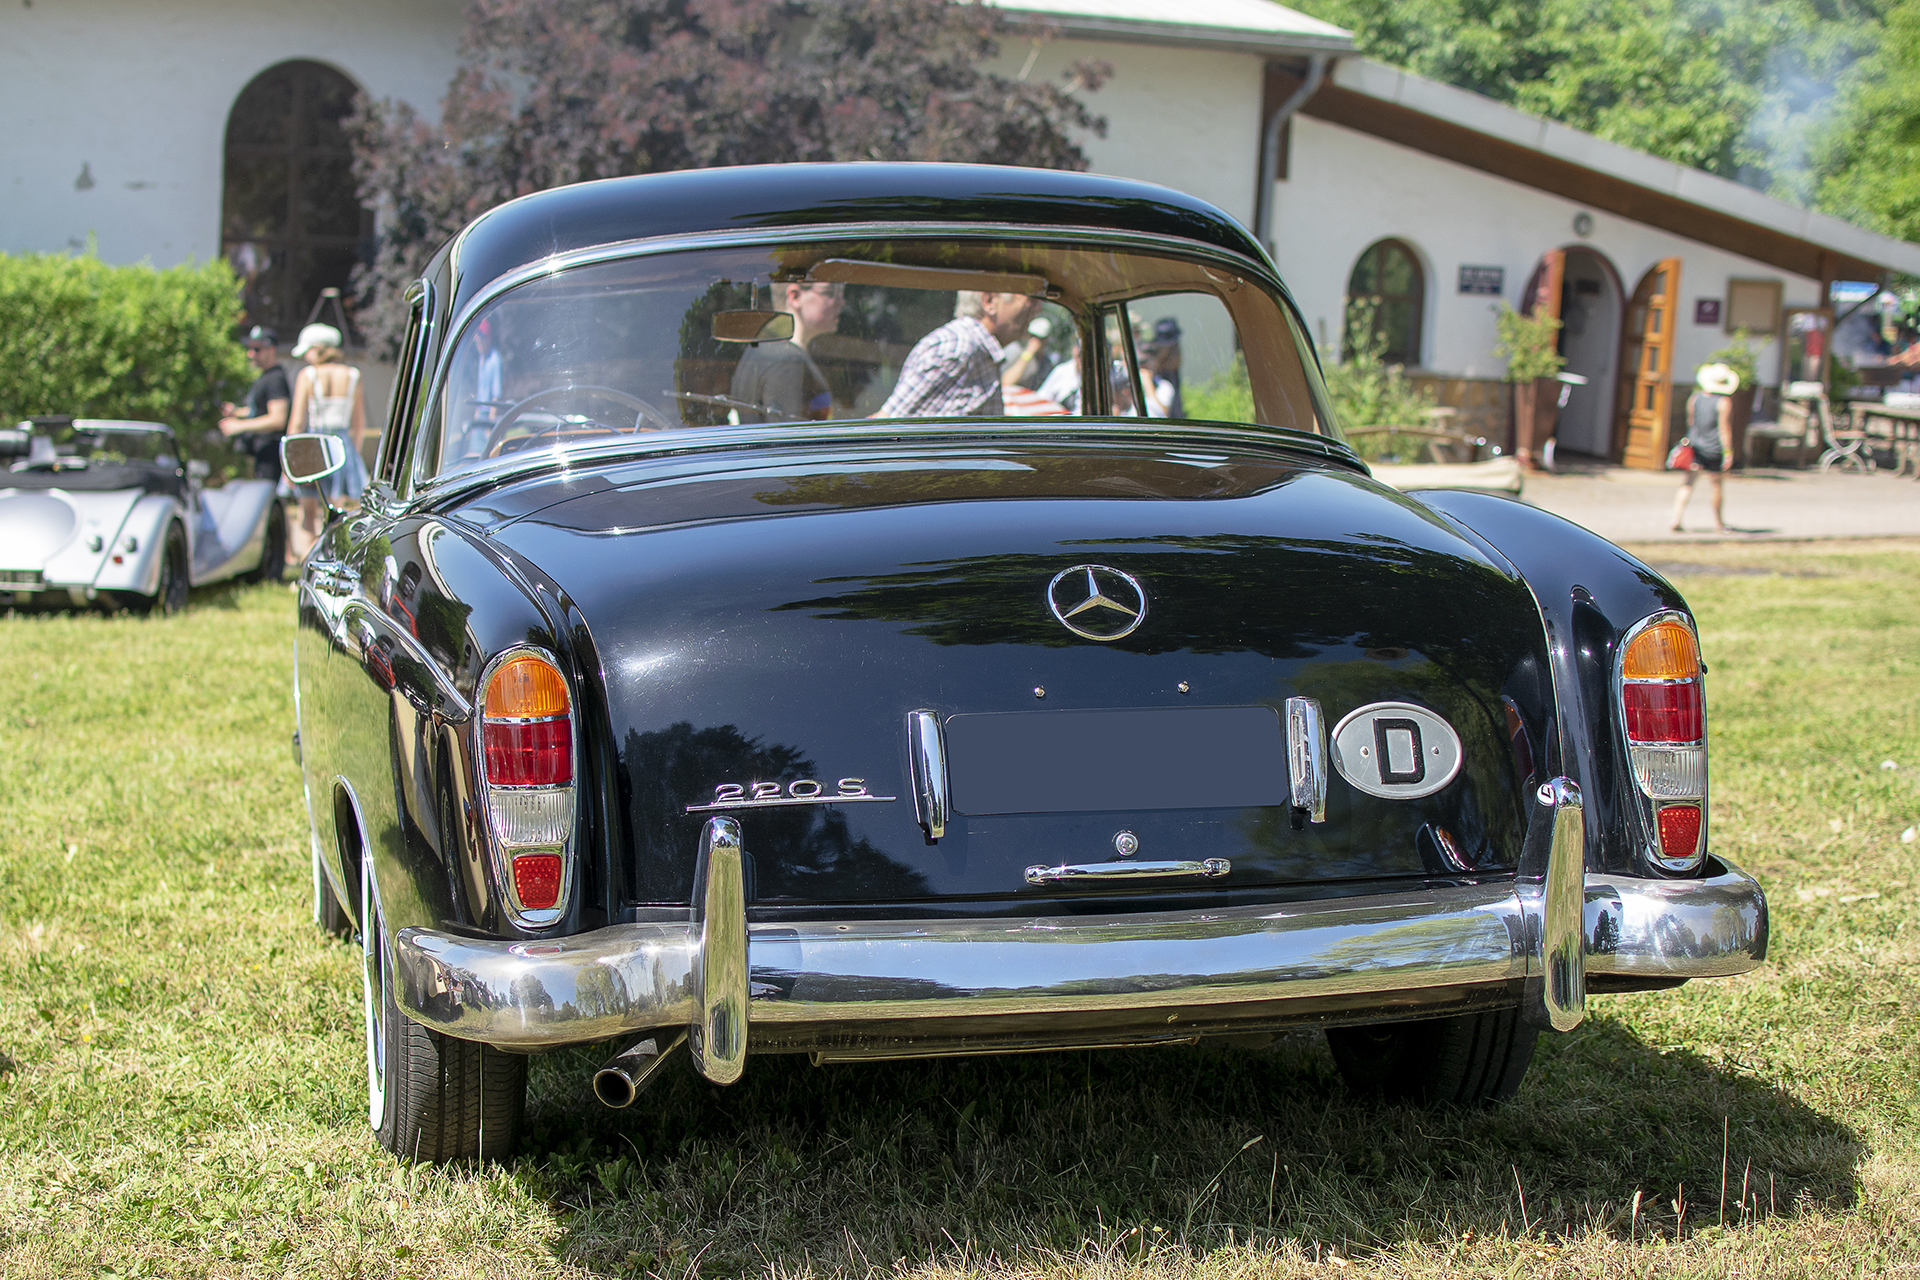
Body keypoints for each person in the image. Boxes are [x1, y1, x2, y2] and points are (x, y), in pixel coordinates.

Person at [877, 291, 1040, 418]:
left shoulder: (977, 350)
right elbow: (887, 424)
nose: (1037, 308)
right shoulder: (958, 348)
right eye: (1029, 299)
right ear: (990, 301)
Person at [286, 322, 369, 557]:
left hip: (314, 445)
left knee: (308, 514)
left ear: (319, 349)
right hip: (342, 447)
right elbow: (358, 423)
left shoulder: (308, 375)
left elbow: (297, 422)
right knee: (338, 516)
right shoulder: (353, 375)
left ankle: (308, 567)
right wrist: (354, 454)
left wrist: (291, 460)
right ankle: (335, 565)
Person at [730, 281, 844, 421]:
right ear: (795, 297)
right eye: (829, 292)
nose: (840, 302)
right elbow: (790, 438)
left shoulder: (764, 350)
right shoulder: (787, 360)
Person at [1671, 362, 1737, 533]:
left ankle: (1676, 518)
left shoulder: (1695, 398)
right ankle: (1719, 523)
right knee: (1716, 485)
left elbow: (1691, 422)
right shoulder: (1723, 402)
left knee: (1688, 482)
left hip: (1695, 446)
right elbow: (1724, 428)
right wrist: (1728, 452)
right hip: (1714, 449)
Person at [217, 326, 290, 479]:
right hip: (260, 452)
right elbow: (260, 409)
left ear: (271, 349)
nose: (251, 354)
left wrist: (240, 426)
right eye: (249, 348)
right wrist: (237, 412)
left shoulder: (275, 379)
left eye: (257, 349)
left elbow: (278, 419)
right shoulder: (265, 376)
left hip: (271, 454)